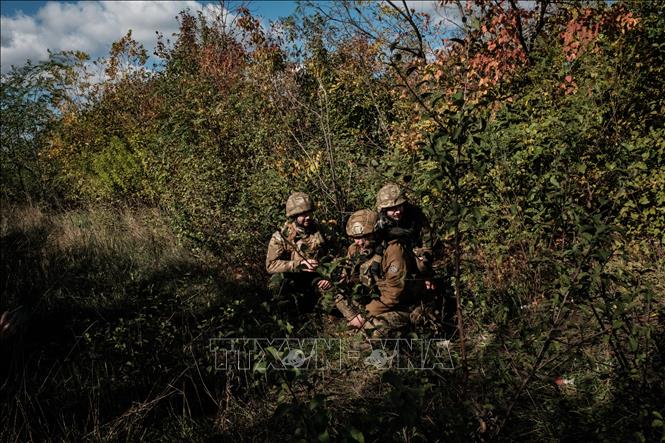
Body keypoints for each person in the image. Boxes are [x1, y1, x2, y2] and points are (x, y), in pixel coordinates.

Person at [335, 209, 424, 337]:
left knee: (371, 334)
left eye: (363, 237)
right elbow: (349, 280)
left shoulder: (394, 250)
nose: (358, 242)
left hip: (401, 306)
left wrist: (364, 315)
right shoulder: (355, 249)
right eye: (355, 238)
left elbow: (393, 294)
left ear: (376, 233)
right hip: (374, 301)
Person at [266, 192, 333, 310]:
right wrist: (298, 265)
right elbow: (271, 265)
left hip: (318, 276)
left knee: (330, 303)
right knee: (276, 284)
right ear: (294, 216)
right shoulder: (282, 236)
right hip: (293, 277)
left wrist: (329, 276)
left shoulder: (322, 230)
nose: (308, 217)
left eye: (309, 212)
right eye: (303, 214)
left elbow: (335, 254)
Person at [375, 183, 436, 290]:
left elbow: (427, 243)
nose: (397, 212)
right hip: (388, 253)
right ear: (384, 210)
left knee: (423, 265)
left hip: (412, 249)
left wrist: (426, 270)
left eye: (399, 207)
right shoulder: (379, 221)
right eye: (392, 209)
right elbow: (373, 243)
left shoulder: (415, 215)